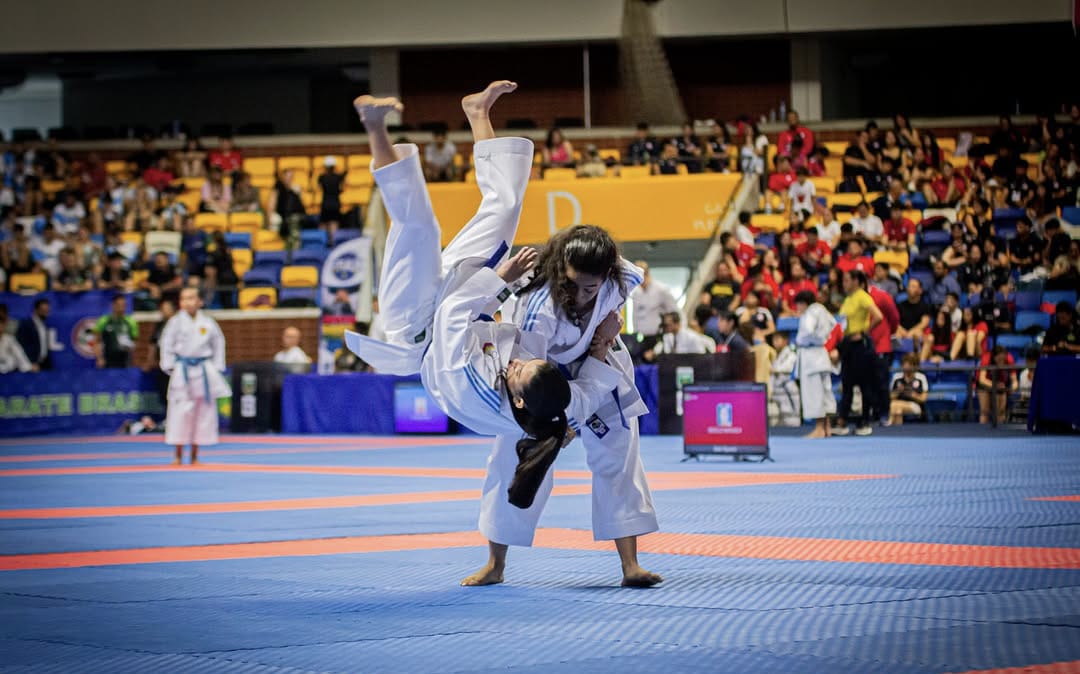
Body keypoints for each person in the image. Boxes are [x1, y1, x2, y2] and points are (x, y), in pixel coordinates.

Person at [341, 85, 645, 586]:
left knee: (417, 227)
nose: (517, 362)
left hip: (421, 323)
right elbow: (571, 373)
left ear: (522, 400)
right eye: (585, 284)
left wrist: (501, 282)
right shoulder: (543, 339)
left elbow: (455, 315)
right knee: (504, 209)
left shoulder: (482, 383)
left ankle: (374, 125)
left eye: (520, 371)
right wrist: (595, 343)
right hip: (467, 294)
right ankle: (477, 113)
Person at [507, 222, 661, 589]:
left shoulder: (622, 276)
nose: (578, 295)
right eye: (571, 284)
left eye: (590, 287)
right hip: (546, 376)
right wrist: (560, 422)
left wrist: (610, 331)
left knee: (619, 459)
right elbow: (529, 374)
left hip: (600, 362)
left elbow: (615, 307)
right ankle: (495, 563)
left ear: (606, 276)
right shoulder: (537, 308)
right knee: (511, 461)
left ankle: (631, 566)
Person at [159, 286, 229, 465]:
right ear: (180, 303)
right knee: (179, 412)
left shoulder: (208, 323)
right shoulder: (175, 322)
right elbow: (166, 344)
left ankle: (195, 456)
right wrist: (169, 365)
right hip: (182, 369)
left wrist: (217, 366)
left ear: (200, 302)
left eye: (191, 298)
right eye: (184, 299)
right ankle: (177, 455)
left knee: (203, 411)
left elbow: (218, 343)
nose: (188, 302)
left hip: (203, 369)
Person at [833, 269, 884, 437]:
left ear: (856, 281)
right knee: (846, 384)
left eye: (847, 280)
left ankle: (865, 421)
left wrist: (864, 331)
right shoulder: (847, 299)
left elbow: (878, 316)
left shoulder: (862, 296)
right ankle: (842, 422)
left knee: (864, 385)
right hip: (848, 345)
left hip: (860, 346)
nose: (844, 283)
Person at [793, 290, 840, 438]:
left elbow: (807, 330)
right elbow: (836, 325)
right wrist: (823, 338)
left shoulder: (811, 312)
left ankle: (819, 429)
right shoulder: (823, 310)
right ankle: (827, 428)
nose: (798, 309)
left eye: (798, 305)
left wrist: (803, 340)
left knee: (814, 394)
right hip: (821, 354)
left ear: (803, 303)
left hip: (811, 356)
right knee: (824, 393)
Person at [628, 260, 677, 340]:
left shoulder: (662, 290)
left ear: (646, 274)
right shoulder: (636, 292)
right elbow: (635, 315)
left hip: (658, 337)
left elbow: (674, 312)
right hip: (640, 337)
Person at [94, 294, 139, 369]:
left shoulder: (131, 322)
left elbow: (135, 343)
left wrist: (133, 359)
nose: (121, 308)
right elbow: (96, 342)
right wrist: (99, 358)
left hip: (125, 361)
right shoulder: (103, 320)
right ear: (113, 305)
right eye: (119, 305)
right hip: (108, 360)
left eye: (123, 305)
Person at [976, 345, 1017, 425]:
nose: (1001, 362)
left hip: (1000, 384)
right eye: (999, 359)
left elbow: (1015, 380)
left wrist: (1013, 388)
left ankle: (1001, 431)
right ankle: (982, 432)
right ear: (994, 357)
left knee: (1001, 411)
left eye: (1003, 359)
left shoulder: (1009, 359)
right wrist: (995, 385)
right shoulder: (986, 358)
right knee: (985, 411)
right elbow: (982, 379)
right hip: (985, 385)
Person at [769, 331, 801, 427]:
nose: (775, 342)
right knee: (778, 420)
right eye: (774, 340)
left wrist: (775, 370)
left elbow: (789, 367)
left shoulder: (791, 352)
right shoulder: (774, 354)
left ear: (785, 341)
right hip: (776, 389)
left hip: (787, 388)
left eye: (778, 339)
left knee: (791, 419)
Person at [649, 311, 714, 356]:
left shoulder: (691, 337)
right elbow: (659, 350)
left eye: (669, 324)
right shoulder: (667, 337)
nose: (666, 326)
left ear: (677, 323)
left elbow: (700, 355)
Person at [888, 354, 929, 426]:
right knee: (898, 410)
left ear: (915, 366)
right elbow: (890, 397)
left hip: (915, 406)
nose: (906, 368)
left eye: (909, 365)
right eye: (904, 365)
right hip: (897, 404)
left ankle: (888, 425)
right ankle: (898, 433)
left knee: (894, 405)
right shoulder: (897, 377)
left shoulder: (921, 377)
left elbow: (923, 399)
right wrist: (898, 391)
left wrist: (913, 395)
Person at [16, 298, 53, 370]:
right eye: (43, 311)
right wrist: (29, 363)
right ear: (36, 310)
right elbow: (20, 345)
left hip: (44, 363)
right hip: (31, 364)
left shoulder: (44, 325)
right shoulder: (26, 324)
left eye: (47, 311)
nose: (46, 313)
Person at [317, 156, 345, 246]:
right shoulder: (338, 177)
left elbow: (318, 188)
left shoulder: (322, 177)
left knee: (323, 224)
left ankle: (322, 244)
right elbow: (342, 189)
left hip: (325, 203)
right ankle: (333, 244)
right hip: (335, 203)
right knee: (334, 224)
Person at [0, 306, 32, 373]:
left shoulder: (9, 339)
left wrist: (29, 367)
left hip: (7, 375)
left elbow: (20, 355)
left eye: (1, 324)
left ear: (4, 325)